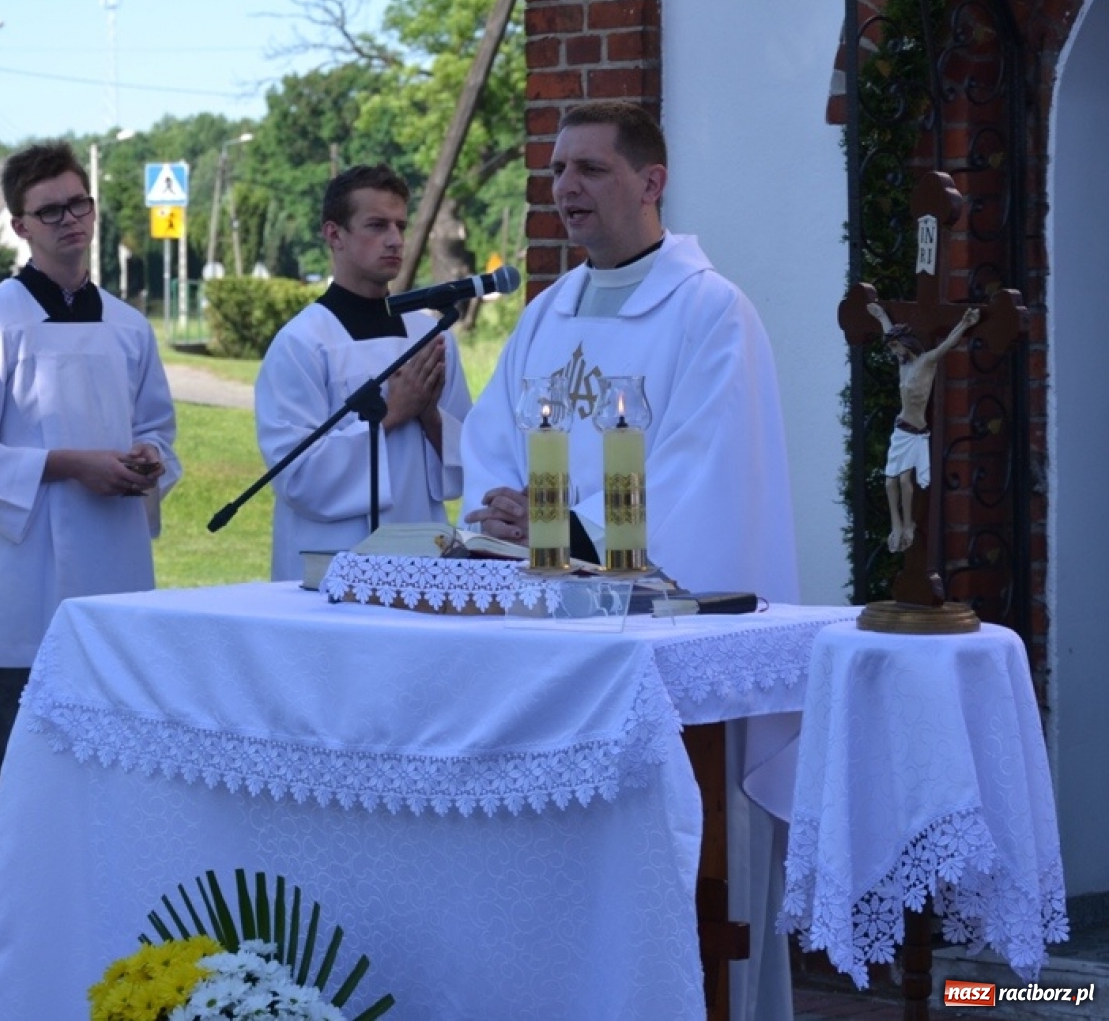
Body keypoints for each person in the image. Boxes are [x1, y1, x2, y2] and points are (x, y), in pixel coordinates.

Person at [459, 101, 798, 1021]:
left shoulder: (708, 313)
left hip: (655, 653)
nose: (564, 188)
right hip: (541, 646)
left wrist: (557, 532)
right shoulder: (544, 313)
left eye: (590, 170)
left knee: (676, 883)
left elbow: (705, 479)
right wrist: (503, 519)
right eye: (557, 170)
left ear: (650, 184)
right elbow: (490, 445)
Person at [0, 140, 179, 845]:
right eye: (51, 211)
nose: (71, 220)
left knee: (115, 762)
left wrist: (148, 459)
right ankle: (14, 935)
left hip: (117, 571)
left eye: (80, 204)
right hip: (29, 578)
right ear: (20, 226)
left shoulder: (128, 326)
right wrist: (70, 465)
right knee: (26, 771)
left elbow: (159, 427)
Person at [254, 164, 471, 579]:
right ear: (334, 234)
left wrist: (429, 417)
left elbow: (470, 461)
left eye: (400, 226)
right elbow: (296, 476)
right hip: (330, 562)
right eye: (376, 225)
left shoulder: (431, 336)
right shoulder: (302, 343)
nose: (394, 239)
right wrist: (393, 414)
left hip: (420, 553)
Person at [867, 299, 981, 553]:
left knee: (906, 482)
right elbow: (890, 333)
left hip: (916, 432)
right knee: (889, 483)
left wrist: (964, 322)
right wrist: (881, 316)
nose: (895, 352)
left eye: (896, 346)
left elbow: (947, 344)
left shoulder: (927, 362)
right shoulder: (902, 365)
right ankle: (896, 526)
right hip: (901, 428)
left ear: (906, 344)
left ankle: (909, 526)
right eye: (892, 347)